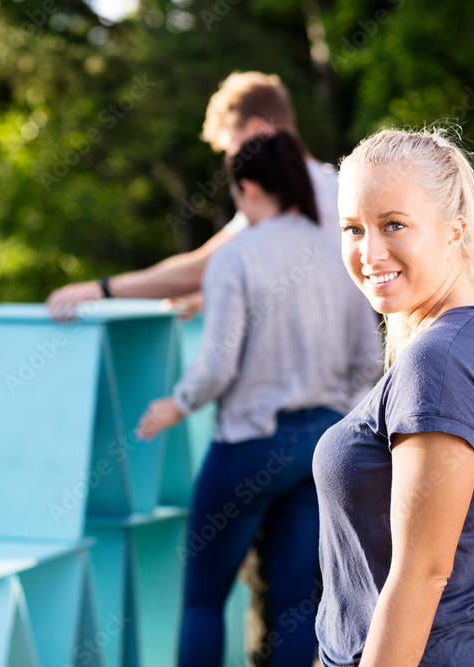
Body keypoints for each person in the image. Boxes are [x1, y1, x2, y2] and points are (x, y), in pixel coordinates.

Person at [312, 128, 474, 666]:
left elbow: (422, 574)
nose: (369, 251)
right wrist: (472, 593)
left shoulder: (441, 361)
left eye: (394, 225)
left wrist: (456, 600)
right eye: (353, 229)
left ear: (455, 232)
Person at [136, 130, 383, 666]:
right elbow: (369, 358)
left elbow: (218, 365)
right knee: (296, 599)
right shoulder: (340, 250)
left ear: (246, 188)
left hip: (249, 442)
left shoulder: (237, 255)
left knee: (204, 596)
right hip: (320, 444)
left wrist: (177, 404)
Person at [45, 71, 340, 319]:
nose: (232, 167)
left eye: (232, 150)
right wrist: (204, 298)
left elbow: (198, 269)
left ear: (258, 130)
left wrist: (102, 289)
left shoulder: (275, 199)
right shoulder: (338, 184)